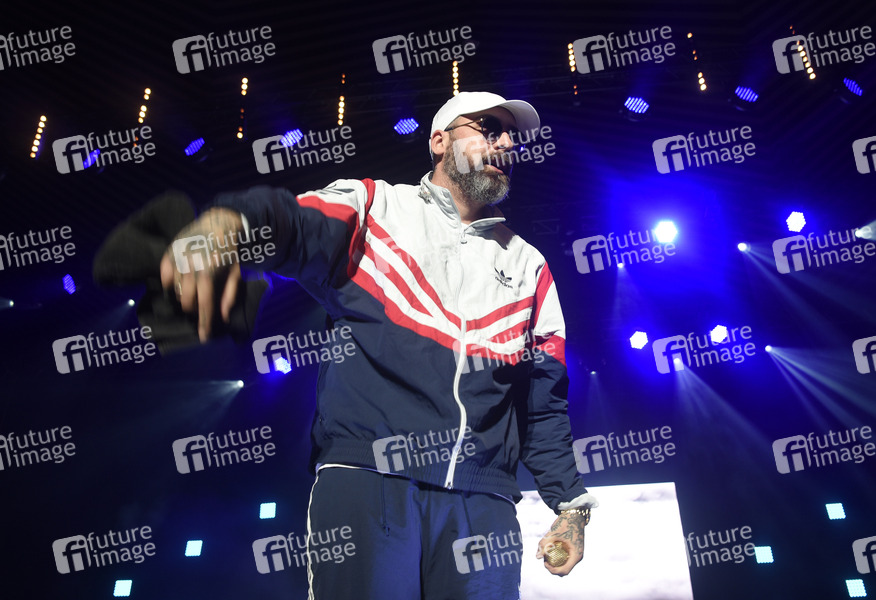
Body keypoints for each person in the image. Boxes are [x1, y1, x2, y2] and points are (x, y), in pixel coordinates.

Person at [159, 91, 598, 599]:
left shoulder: (529, 265)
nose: (504, 143)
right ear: (439, 141)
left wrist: (571, 507)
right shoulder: (373, 206)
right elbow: (295, 223)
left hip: (484, 502)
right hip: (369, 477)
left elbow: (543, 403)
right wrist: (232, 222)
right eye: (487, 128)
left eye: (510, 136)